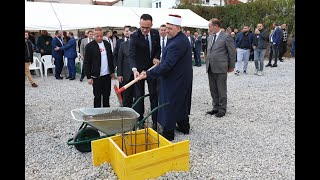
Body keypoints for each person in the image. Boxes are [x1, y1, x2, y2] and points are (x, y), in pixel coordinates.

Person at [139, 14, 193, 141]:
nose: (167, 30)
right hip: (181, 78)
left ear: (178, 27)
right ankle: (184, 127)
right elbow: (168, 61)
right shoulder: (179, 38)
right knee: (181, 102)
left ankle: (168, 133)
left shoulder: (177, 43)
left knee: (169, 103)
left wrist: (148, 74)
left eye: (170, 28)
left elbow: (168, 64)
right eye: (166, 27)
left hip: (174, 79)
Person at [129, 14, 161, 130]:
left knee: (154, 95)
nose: (144, 30)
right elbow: (131, 55)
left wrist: (156, 57)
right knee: (139, 96)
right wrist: (134, 69)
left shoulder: (155, 33)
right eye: (142, 27)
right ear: (139, 24)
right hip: (139, 72)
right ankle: (140, 120)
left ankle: (155, 121)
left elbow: (158, 48)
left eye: (147, 27)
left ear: (152, 25)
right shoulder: (134, 36)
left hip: (152, 70)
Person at [206, 18, 236, 118]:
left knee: (221, 89)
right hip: (210, 67)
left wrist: (231, 66)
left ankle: (222, 109)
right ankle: (215, 107)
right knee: (213, 89)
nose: (209, 28)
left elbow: (232, 52)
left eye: (210, 26)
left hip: (221, 67)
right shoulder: (210, 37)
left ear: (216, 26)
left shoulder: (226, 37)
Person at [83, 27, 115, 108]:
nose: (99, 38)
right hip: (96, 75)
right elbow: (86, 62)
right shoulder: (89, 46)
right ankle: (97, 114)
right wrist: (88, 77)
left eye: (101, 36)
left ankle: (106, 112)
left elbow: (110, 58)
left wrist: (112, 71)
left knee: (106, 95)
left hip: (107, 75)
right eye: (97, 36)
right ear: (93, 35)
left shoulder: (107, 44)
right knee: (97, 96)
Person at [117, 26, 137, 107]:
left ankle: (137, 115)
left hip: (137, 75)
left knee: (137, 96)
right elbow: (120, 60)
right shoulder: (123, 45)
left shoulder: (141, 45)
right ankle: (126, 114)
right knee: (126, 97)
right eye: (131, 34)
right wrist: (119, 74)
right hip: (126, 74)